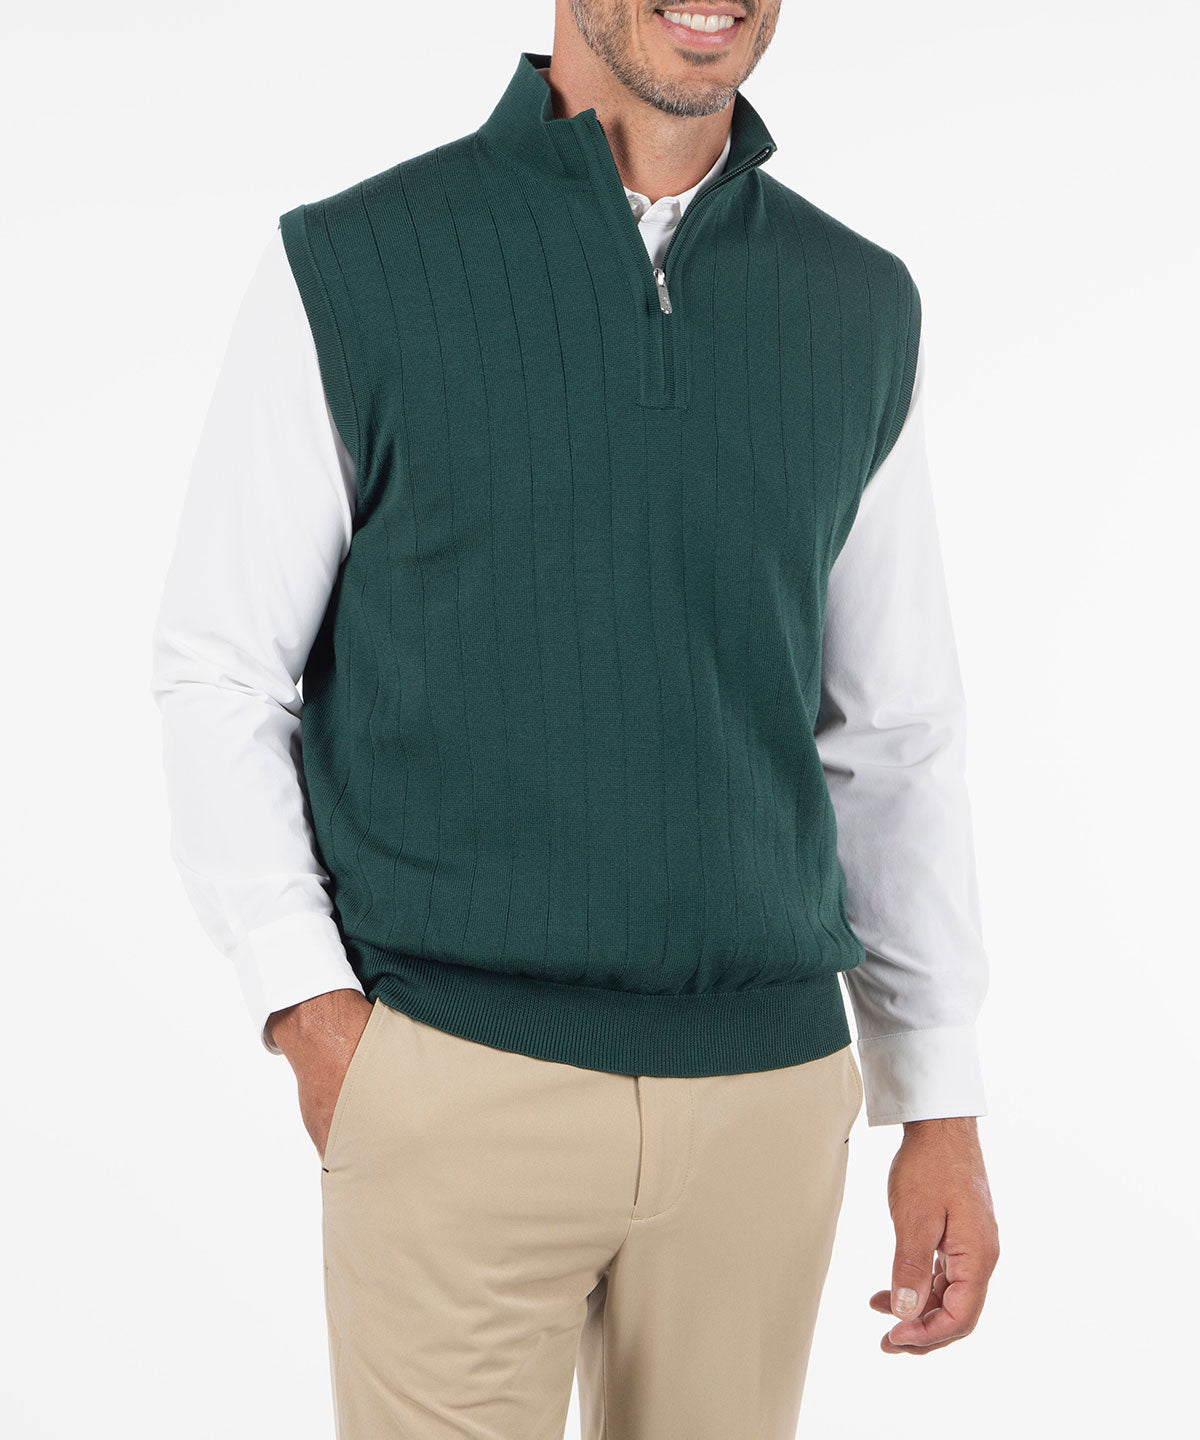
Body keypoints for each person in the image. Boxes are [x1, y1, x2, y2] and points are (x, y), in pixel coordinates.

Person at [150, 3, 1000, 1435]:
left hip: (766, 1098)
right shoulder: (355, 264)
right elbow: (220, 672)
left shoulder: (856, 302)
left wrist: (939, 1097)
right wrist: (314, 1016)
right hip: (454, 1076)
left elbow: (892, 732)